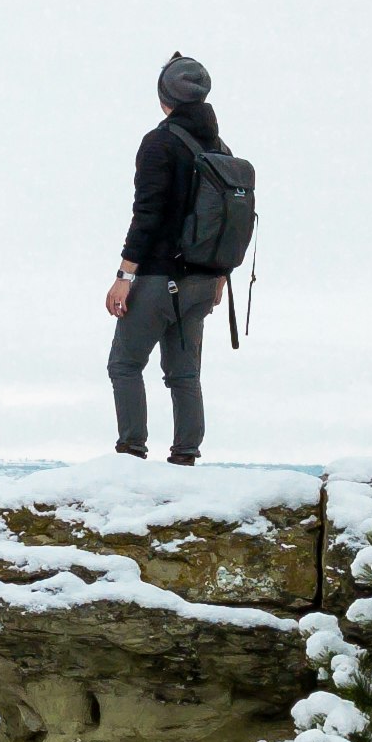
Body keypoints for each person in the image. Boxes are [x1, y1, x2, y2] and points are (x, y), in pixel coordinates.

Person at [105, 52, 231, 464]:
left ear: (165, 97)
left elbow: (148, 214)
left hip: (161, 278)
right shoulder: (221, 148)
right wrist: (220, 276)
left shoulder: (160, 143)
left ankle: (130, 454)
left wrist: (125, 274)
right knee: (183, 375)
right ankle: (185, 459)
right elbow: (229, 222)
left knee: (124, 364)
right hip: (203, 282)